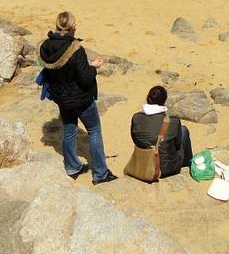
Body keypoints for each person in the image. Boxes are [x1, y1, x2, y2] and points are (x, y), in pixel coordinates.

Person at [39, 11, 116, 185]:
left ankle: (72, 167)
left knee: (69, 130)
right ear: (73, 27)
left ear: (58, 26)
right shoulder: (75, 49)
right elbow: (85, 78)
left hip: (62, 99)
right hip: (81, 98)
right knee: (94, 131)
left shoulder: (46, 47)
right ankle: (100, 173)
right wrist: (94, 67)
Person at [130, 86, 193, 178]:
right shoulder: (173, 120)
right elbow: (178, 145)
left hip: (144, 166)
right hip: (169, 169)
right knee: (183, 130)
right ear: (164, 101)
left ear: (148, 98)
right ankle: (188, 167)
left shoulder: (136, 118)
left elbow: (135, 140)